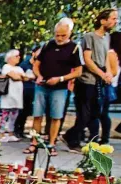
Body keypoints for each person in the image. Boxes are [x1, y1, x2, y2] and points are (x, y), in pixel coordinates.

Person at [23, 18, 83, 157]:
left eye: (63, 35)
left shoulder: (74, 48)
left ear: (69, 33)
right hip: (42, 85)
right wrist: (38, 76)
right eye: (57, 35)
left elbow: (78, 72)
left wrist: (60, 79)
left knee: (56, 116)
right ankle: (34, 142)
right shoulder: (47, 45)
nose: (60, 38)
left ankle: (51, 144)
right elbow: (36, 65)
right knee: (37, 115)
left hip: (60, 87)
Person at [61, 8, 117, 153]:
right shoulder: (89, 37)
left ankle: (81, 139)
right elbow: (87, 59)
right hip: (86, 81)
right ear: (103, 20)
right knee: (84, 114)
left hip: (99, 82)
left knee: (95, 114)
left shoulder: (107, 38)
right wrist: (101, 73)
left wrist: (108, 73)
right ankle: (71, 138)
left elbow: (105, 58)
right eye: (112, 18)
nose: (114, 22)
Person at [90, 31, 121, 145]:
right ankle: (103, 138)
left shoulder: (110, 53)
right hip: (110, 85)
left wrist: (103, 74)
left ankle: (98, 138)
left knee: (98, 113)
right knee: (103, 113)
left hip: (106, 85)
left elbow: (114, 71)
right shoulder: (118, 54)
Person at [0, 49, 27, 142]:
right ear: (10, 58)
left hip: (17, 96)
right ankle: (2, 133)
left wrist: (20, 76)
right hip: (8, 95)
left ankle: (11, 133)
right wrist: (20, 76)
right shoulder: (6, 66)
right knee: (5, 115)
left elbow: (26, 78)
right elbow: (16, 77)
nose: (18, 58)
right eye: (16, 56)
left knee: (14, 115)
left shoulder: (19, 68)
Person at [13, 48, 38, 139]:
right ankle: (16, 129)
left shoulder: (38, 65)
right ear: (33, 53)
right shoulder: (24, 64)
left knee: (27, 111)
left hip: (34, 90)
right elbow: (20, 76)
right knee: (21, 111)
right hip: (23, 90)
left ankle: (21, 130)